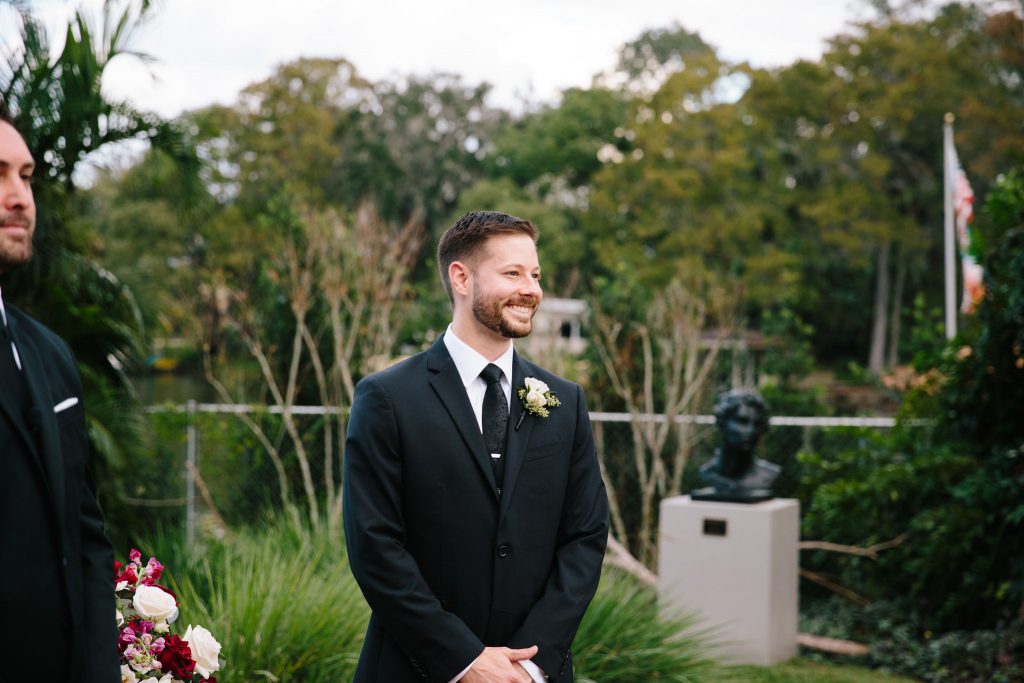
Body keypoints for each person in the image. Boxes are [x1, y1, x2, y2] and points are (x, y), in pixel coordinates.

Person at [344, 211, 610, 682]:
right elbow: (375, 546)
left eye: (535, 274)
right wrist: (464, 659)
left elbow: (585, 537)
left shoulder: (565, 401)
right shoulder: (387, 398)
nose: (531, 289)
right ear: (461, 277)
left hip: (535, 673)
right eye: (512, 273)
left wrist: (531, 663)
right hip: (416, 669)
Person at [0, 107, 119, 681]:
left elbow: (87, 534)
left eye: (25, 176)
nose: (19, 196)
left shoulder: (49, 352)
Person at [692, 388, 779, 502]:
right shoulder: (708, 472)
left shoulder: (769, 473)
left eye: (757, 424)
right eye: (742, 421)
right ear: (722, 423)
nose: (750, 430)